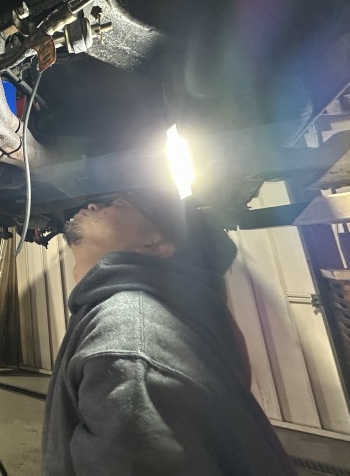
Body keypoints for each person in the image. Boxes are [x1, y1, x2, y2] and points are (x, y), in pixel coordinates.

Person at [42, 193, 296, 475]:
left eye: (121, 203)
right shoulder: (156, 317)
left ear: (156, 244)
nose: (93, 204)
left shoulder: (129, 341)